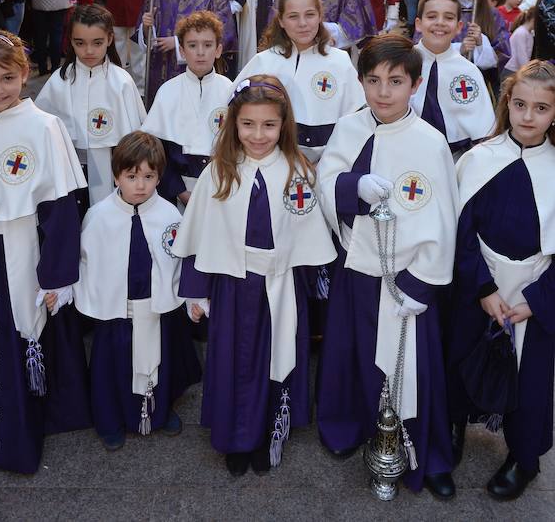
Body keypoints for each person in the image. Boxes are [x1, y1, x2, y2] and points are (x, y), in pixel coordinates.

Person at [315, 34, 459, 499]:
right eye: (373, 80)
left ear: (414, 85)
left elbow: (444, 218)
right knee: (355, 355)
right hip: (358, 268)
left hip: (408, 280)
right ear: (360, 81)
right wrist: (352, 186)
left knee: (411, 369)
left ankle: (424, 452)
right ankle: (351, 428)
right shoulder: (350, 127)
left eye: (395, 81)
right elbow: (326, 181)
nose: (383, 92)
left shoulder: (430, 142)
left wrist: (423, 283)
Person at [173, 75, 336, 476]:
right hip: (232, 286)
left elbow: (309, 233)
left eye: (268, 125)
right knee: (233, 361)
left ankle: (266, 433)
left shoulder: (297, 170)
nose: (258, 134)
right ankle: (235, 437)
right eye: (248, 124)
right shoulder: (220, 172)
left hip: (281, 287)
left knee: (275, 358)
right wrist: (196, 292)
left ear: (284, 125)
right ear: (234, 123)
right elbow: (199, 237)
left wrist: (316, 282)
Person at [0, 31, 88, 473]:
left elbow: (60, 208)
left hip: (22, 248)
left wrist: (57, 277)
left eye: (7, 78)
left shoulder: (43, 127)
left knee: (19, 332)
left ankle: (15, 432)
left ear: (25, 75)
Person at [447, 61, 555, 500]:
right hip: (480, 284)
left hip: (536, 289)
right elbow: (459, 231)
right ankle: (453, 426)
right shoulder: (478, 159)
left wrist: (538, 299)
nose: (528, 117)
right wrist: (484, 289)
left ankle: (523, 456)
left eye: (542, 108)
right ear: (506, 103)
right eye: (520, 104)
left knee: (530, 380)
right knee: (460, 355)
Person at [73, 131, 201, 450]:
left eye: (148, 176)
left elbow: (180, 260)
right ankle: (110, 421)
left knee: (162, 363)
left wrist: (189, 301)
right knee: (111, 370)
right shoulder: (99, 217)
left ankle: (160, 412)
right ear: (117, 175)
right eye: (131, 176)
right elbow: (87, 262)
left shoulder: (169, 215)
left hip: (156, 309)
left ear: (159, 176)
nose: (140, 185)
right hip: (116, 312)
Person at [237, 0, 365, 162]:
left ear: (320, 16)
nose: (303, 24)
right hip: (270, 161)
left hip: (325, 165)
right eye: (293, 16)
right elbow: (235, 110)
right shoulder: (264, 61)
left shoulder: (340, 62)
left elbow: (356, 121)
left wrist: (328, 164)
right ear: (281, 20)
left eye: (310, 15)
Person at [36, 4, 146, 207]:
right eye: (80, 43)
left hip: (113, 169)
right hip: (69, 168)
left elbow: (136, 137)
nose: (88, 51)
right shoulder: (59, 81)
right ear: (70, 41)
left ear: (110, 39)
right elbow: (40, 131)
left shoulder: (121, 81)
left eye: (97, 43)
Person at [142, 11, 231, 208]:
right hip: (175, 192)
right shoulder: (168, 91)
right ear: (182, 51)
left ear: (218, 50)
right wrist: (180, 192)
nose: (200, 52)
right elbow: (158, 151)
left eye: (207, 45)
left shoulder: (229, 90)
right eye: (192, 45)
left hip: (221, 187)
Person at [411, 0, 495, 157]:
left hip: (454, 156)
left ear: (459, 27)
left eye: (448, 18)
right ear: (418, 24)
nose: (440, 23)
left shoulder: (468, 72)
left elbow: (483, 129)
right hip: (406, 148)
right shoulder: (402, 64)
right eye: (432, 16)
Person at [444, 0, 511, 92]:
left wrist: (482, 44)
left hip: (477, 85)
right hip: (442, 80)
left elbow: (504, 53)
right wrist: (458, 49)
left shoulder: (492, 14)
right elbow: (422, 45)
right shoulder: (439, 6)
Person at [502, 8, 536, 77]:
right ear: (533, 19)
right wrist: (528, 72)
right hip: (511, 70)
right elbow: (522, 56)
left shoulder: (529, 33)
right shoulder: (521, 32)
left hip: (518, 70)